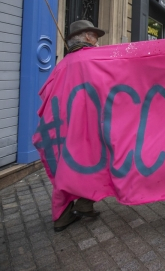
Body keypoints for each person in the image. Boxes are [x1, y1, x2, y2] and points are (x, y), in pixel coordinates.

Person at [53, 20, 104, 232]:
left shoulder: (64, 63)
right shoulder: (92, 59)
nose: (97, 40)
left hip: (65, 124)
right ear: (85, 37)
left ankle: (75, 209)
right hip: (89, 124)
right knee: (94, 162)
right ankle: (76, 208)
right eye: (94, 35)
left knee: (68, 166)